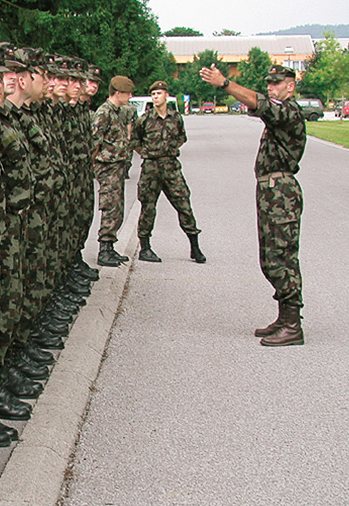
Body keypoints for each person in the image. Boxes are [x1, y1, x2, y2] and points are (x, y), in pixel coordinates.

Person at [200, 63, 306, 346]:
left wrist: (224, 84)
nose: (271, 88)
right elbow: (257, 103)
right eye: (269, 84)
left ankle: (293, 324)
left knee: (281, 258)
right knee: (270, 258)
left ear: (290, 86)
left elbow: (256, 102)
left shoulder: (289, 111)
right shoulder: (278, 113)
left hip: (281, 193)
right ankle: (284, 318)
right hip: (271, 191)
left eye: (276, 84)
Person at [132, 80, 206, 264]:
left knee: (184, 205)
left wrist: (170, 149)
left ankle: (195, 246)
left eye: (159, 93)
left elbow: (182, 137)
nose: (156, 97)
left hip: (171, 167)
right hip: (151, 168)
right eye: (153, 94)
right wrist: (148, 153)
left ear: (166, 95)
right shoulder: (144, 119)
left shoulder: (176, 117)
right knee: (148, 207)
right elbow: (135, 141)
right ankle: (145, 247)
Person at [92, 75, 135, 267]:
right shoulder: (104, 112)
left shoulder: (117, 111)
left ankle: (110, 246)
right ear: (118, 93)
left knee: (117, 207)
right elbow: (95, 141)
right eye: (127, 93)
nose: (130, 96)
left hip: (116, 166)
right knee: (110, 207)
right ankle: (104, 249)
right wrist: (93, 166)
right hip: (107, 166)